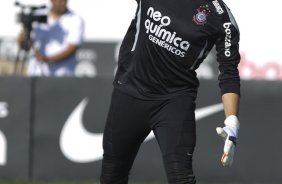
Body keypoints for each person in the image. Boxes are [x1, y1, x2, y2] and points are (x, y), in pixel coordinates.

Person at [100, 0, 241, 183]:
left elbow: (229, 73)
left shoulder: (222, 19)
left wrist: (232, 121)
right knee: (111, 177)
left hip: (174, 102)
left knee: (182, 179)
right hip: (129, 92)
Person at [17, 0, 84, 76]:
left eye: (64, 1)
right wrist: (22, 40)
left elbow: (72, 48)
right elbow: (26, 46)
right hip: (36, 73)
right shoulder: (37, 15)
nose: (62, 3)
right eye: (59, 1)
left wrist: (46, 59)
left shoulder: (76, 20)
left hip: (62, 74)